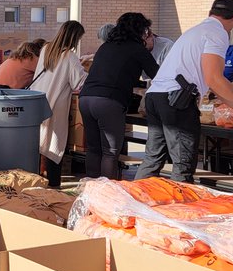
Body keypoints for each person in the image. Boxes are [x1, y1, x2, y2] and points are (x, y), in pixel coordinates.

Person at [137, 0, 233, 183]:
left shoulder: (195, 30)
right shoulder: (217, 33)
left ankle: (131, 204)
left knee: (153, 159)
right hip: (176, 99)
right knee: (183, 164)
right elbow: (214, 78)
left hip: (155, 96)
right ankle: (179, 209)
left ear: (211, 12)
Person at [80, 13, 159, 179]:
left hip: (86, 98)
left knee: (94, 148)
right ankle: (109, 195)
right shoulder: (137, 49)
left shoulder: (106, 46)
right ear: (140, 30)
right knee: (110, 152)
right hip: (109, 101)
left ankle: (90, 191)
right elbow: (158, 74)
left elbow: (115, 73)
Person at [33, 21, 86, 187]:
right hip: (56, 105)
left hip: (39, 101)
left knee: (38, 143)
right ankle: (54, 184)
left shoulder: (46, 50)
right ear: (74, 38)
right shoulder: (69, 56)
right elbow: (79, 82)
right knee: (54, 144)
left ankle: (34, 180)